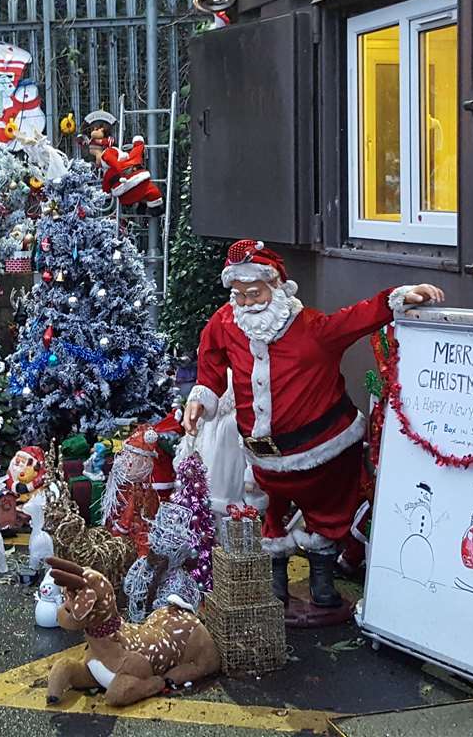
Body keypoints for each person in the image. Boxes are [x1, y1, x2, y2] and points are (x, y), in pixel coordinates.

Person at [183, 240, 443, 612]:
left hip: (323, 450)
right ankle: (275, 579)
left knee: (327, 516)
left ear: (276, 287)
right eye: (237, 295)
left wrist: (397, 298)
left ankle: (322, 577)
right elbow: (209, 364)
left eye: (253, 294)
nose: (244, 303)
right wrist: (200, 398)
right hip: (263, 457)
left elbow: (357, 317)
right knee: (269, 515)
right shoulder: (226, 323)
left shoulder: (312, 328)